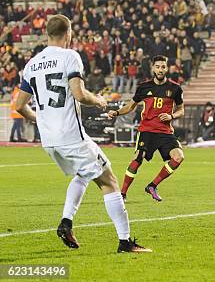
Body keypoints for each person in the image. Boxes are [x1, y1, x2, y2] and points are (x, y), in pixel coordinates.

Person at [15, 14, 150, 253]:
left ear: (47, 34)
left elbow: (19, 106)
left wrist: (41, 119)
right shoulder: (70, 56)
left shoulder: (32, 64)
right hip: (70, 136)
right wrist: (97, 100)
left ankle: (66, 223)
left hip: (49, 140)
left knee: (84, 174)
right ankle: (125, 242)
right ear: (68, 35)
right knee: (109, 181)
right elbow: (79, 93)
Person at [108, 55, 185, 203]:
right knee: (138, 158)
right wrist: (116, 112)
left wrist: (171, 116)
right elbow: (130, 107)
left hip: (165, 132)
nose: (160, 70)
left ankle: (152, 185)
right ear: (153, 68)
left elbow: (181, 110)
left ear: (167, 68)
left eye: (163, 67)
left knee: (178, 157)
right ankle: (122, 194)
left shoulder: (175, 88)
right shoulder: (144, 87)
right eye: (158, 67)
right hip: (147, 130)